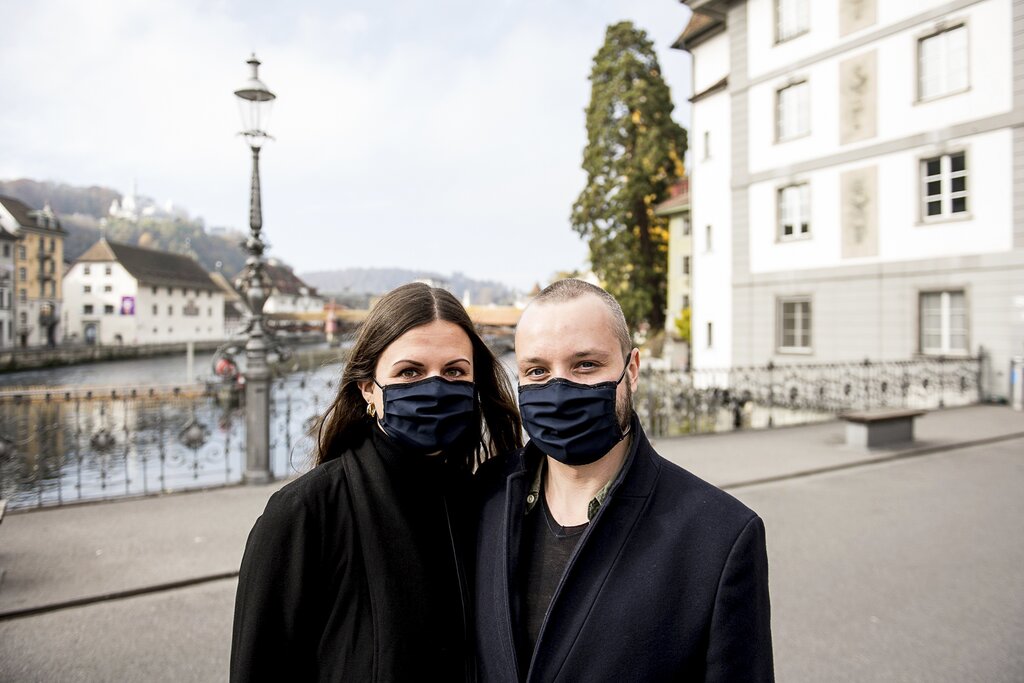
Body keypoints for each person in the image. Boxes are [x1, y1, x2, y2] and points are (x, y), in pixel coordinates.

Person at [474, 279, 774, 682]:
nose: (559, 390)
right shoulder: (487, 494)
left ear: (631, 371)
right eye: (537, 370)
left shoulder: (719, 537)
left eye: (585, 365)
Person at [230, 282, 522, 682]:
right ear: (369, 388)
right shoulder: (305, 514)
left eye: (454, 371)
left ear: (474, 385)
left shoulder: (481, 504)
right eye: (409, 372)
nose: (434, 388)